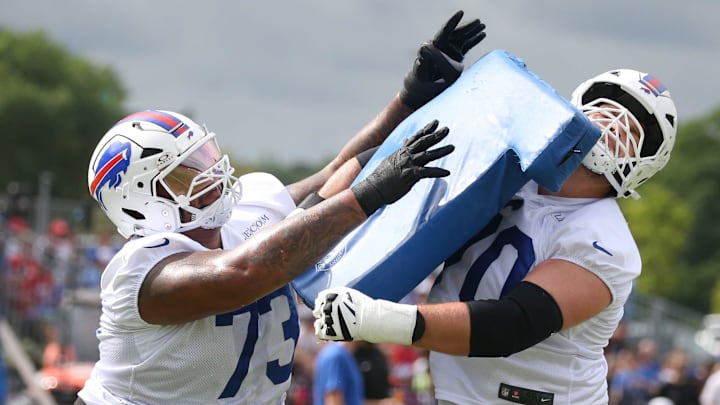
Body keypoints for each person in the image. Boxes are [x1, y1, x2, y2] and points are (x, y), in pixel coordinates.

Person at [75, 11, 485, 405]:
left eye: (202, 157)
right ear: (139, 201)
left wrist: (409, 100)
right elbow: (245, 273)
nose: (209, 174)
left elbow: (334, 175)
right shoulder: (141, 271)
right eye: (184, 174)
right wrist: (371, 193)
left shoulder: (245, 213)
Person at [313, 64, 679, 404]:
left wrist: (378, 320)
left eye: (631, 131)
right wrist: (418, 104)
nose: (611, 125)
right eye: (603, 107)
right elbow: (384, 166)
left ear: (646, 162)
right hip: (458, 391)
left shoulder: (606, 240)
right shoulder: (508, 168)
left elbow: (514, 323)